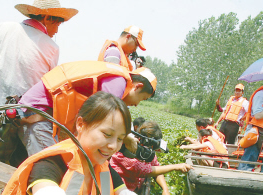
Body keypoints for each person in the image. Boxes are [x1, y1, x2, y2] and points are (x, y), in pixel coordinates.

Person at [0, 92, 167, 195]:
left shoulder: (103, 171)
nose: (113, 146)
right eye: (107, 135)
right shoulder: (52, 164)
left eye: (120, 139)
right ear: (81, 124)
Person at [16, 61, 157, 158]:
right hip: (37, 113)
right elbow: (105, 119)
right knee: (52, 166)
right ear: (137, 87)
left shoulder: (117, 78)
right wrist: (126, 138)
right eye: (142, 99)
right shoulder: (118, 82)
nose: (137, 104)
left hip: (44, 115)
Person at [0, 1, 78, 110]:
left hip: (0, 105)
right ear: (47, 18)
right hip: (28, 111)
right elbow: (49, 84)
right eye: (57, 25)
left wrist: (7, 58)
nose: (56, 31)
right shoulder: (52, 47)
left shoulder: (4, 27)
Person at [110, 120, 192, 195]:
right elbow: (145, 171)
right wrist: (176, 166)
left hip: (135, 191)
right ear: (142, 140)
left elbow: (157, 168)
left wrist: (165, 189)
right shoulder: (126, 151)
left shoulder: (148, 150)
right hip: (118, 194)